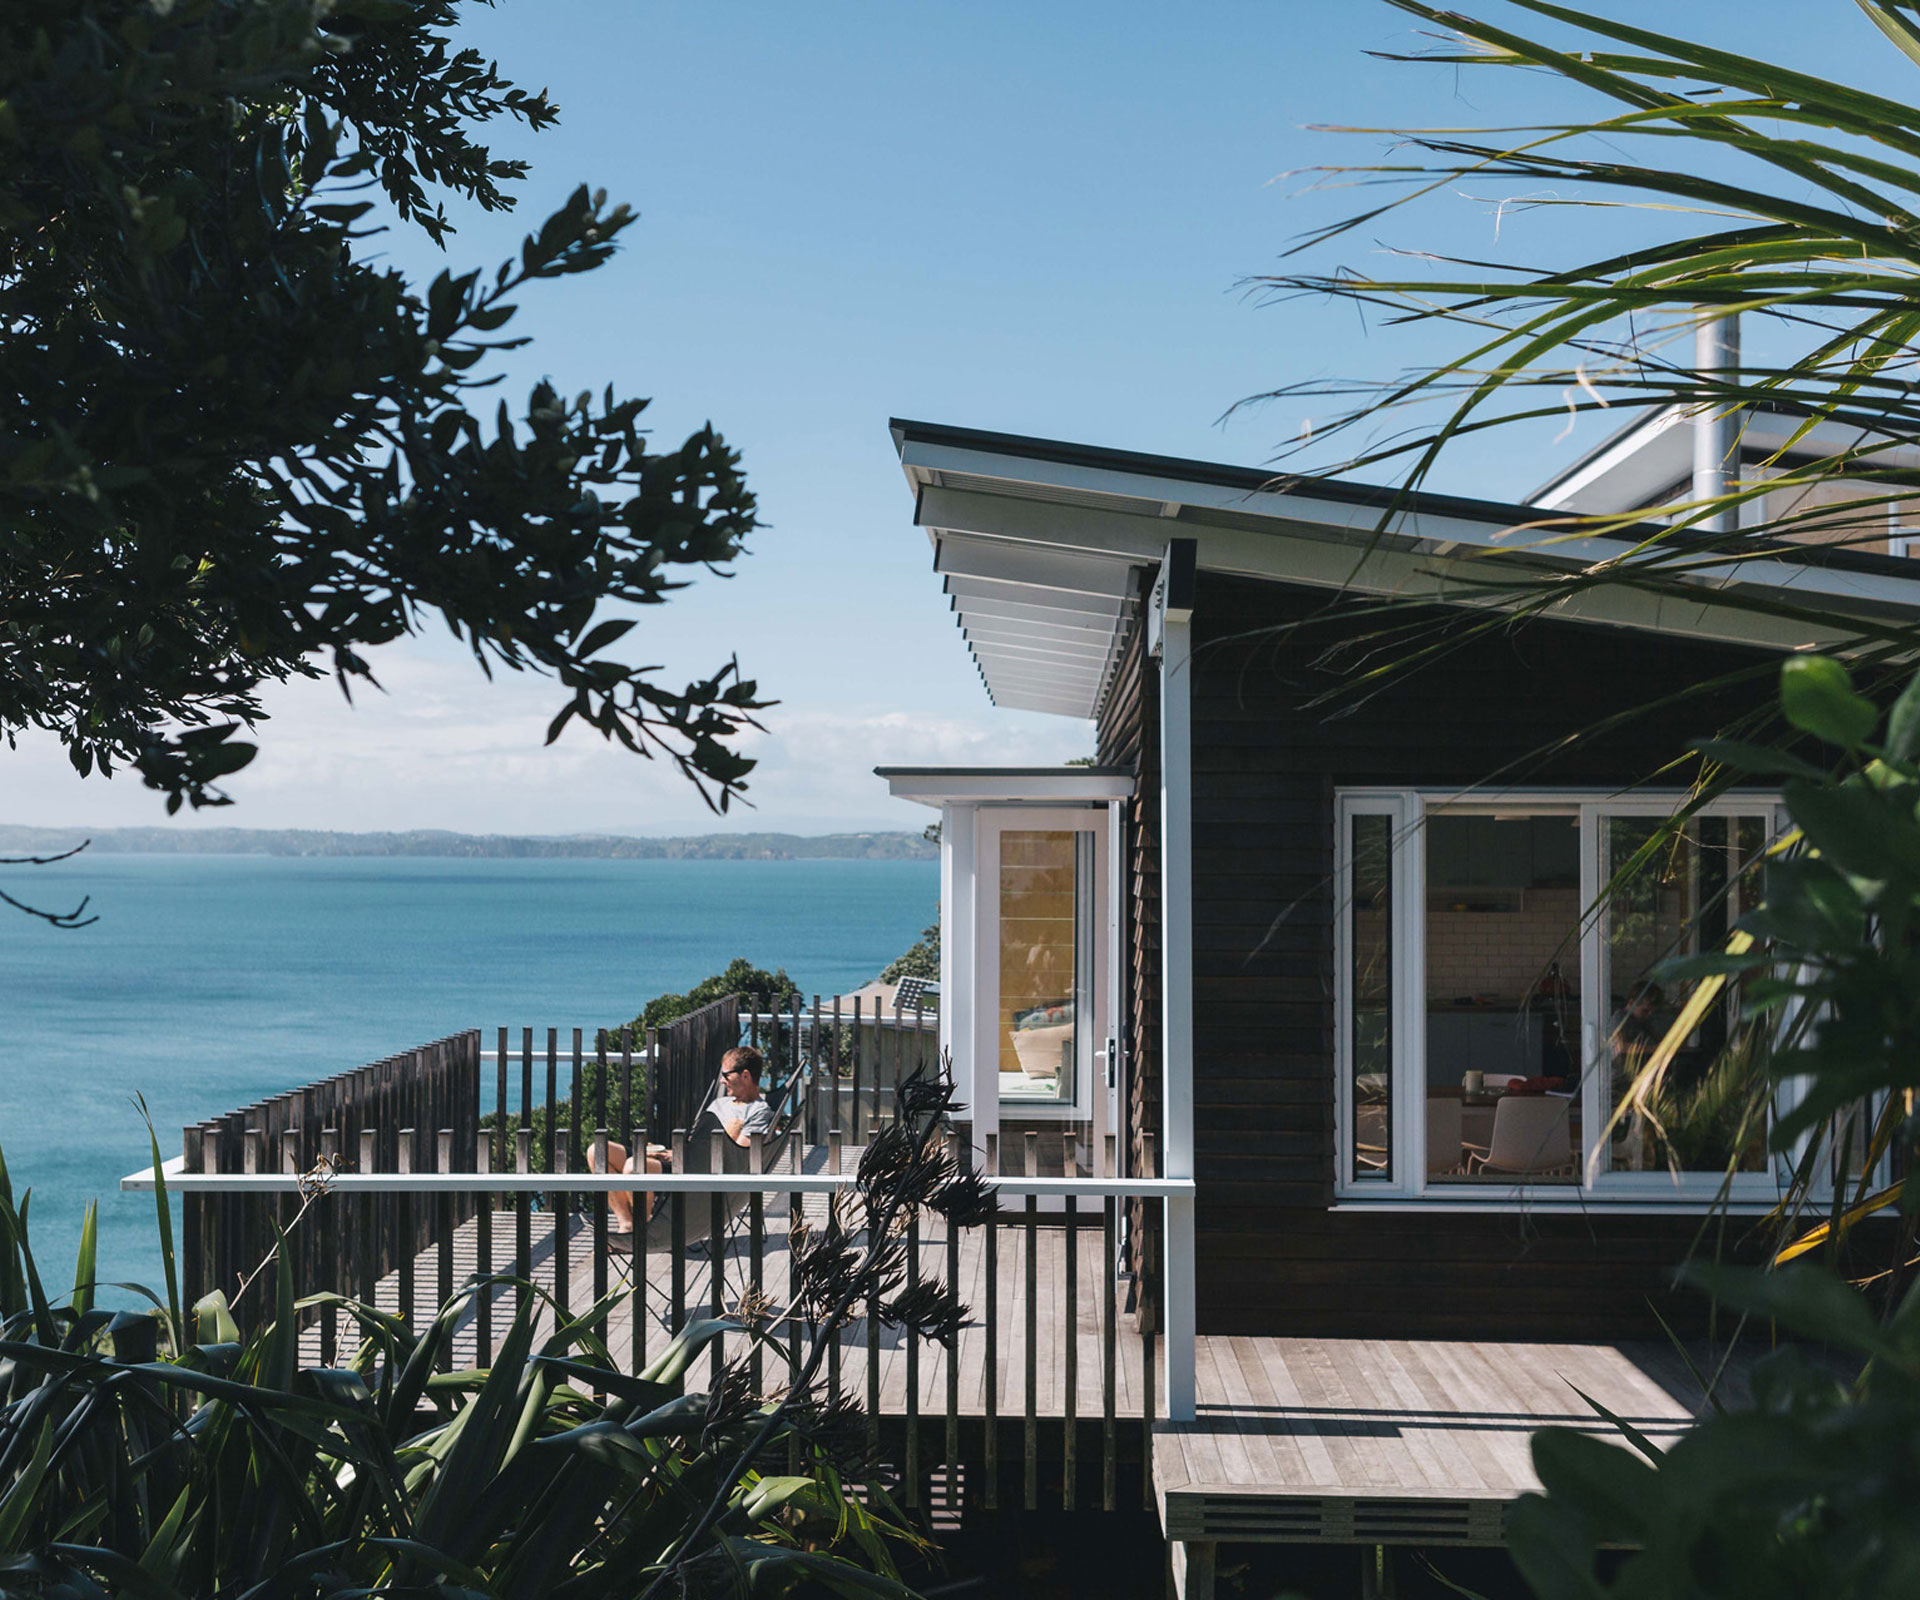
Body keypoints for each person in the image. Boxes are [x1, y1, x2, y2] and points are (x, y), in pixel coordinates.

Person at [710, 1045, 776, 1146]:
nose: (722, 1081)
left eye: (726, 1076)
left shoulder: (758, 1111)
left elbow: (739, 1156)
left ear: (745, 1076)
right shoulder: (718, 1104)